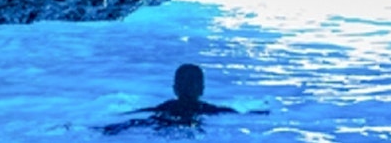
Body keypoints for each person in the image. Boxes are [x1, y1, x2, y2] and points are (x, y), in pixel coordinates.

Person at [101, 63, 268, 135]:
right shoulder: (206, 108)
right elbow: (230, 112)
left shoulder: (167, 106)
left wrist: (122, 115)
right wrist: (259, 112)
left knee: (143, 123)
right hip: (191, 124)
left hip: (166, 121)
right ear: (202, 89)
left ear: (175, 89)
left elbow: (142, 114)